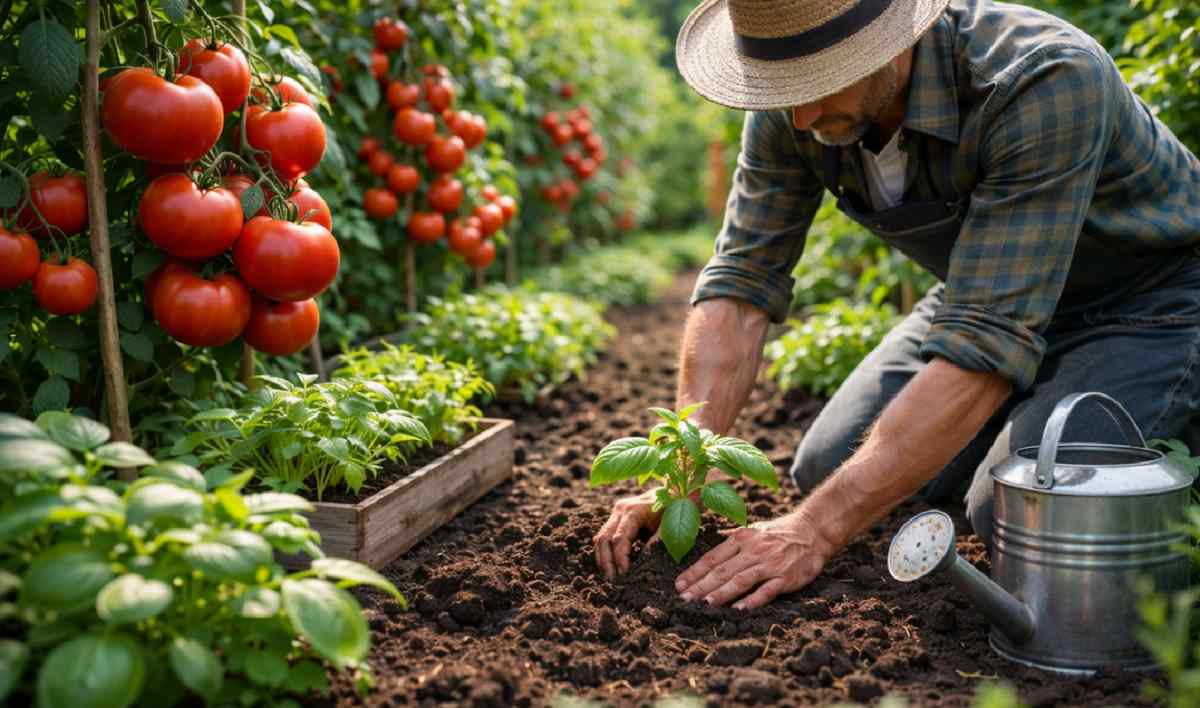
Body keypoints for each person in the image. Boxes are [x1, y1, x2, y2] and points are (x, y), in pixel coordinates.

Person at [592, 0, 1200, 610]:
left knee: (1018, 514)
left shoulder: (1040, 78)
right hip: (981, 296)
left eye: (821, 81)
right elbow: (740, 286)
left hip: (1153, 303)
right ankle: (1011, 430)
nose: (801, 116)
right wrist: (682, 472)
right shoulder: (792, 101)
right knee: (824, 467)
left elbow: (985, 345)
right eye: (786, 89)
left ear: (890, 40)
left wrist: (813, 530)